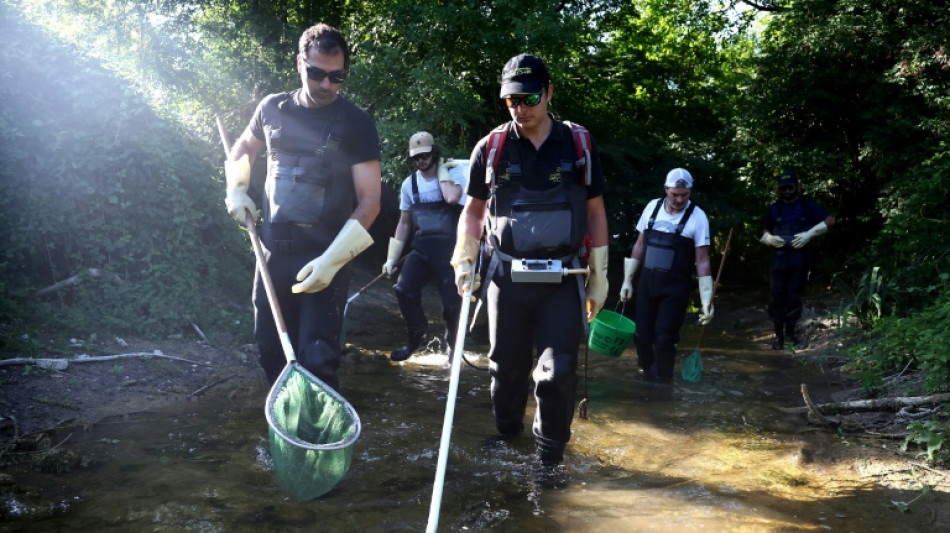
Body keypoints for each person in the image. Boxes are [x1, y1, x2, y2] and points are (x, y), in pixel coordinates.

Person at [451, 53, 609, 484]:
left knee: (556, 374)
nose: (520, 108)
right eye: (511, 101)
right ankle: (507, 435)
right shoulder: (492, 147)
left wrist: (601, 272)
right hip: (506, 277)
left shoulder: (578, 145)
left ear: (549, 93)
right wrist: (465, 257)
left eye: (529, 97)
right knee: (505, 370)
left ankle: (549, 458)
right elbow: (473, 212)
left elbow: (595, 213)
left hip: (564, 277)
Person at [223, 23, 381, 389]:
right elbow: (244, 148)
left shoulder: (356, 123)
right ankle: (287, 436)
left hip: (326, 258)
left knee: (318, 358)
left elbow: (370, 201)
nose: (326, 85)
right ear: (299, 64)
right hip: (272, 256)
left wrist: (333, 260)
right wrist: (237, 189)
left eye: (336, 77)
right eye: (317, 74)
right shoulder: (271, 109)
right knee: (270, 351)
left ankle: (321, 442)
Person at [618, 168, 713, 386]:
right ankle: (646, 377)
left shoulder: (698, 218)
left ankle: (663, 386)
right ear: (666, 189)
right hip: (646, 285)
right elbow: (640, 244)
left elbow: (703, 259)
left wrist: (706, 299)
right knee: (641, 336)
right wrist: (627, 280)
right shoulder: (652, 207)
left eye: (684, 194)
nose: (680, 199)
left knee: (664, 339)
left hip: (675, 290)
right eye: (675, 194)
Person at [384, 131, 468, 361]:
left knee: (452, 305)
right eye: (416, 157)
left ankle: (453, 349)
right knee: (403, 290)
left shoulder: (454, 174)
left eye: (425, 155)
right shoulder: (408, 184)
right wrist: (392, 258)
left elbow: (452, 198)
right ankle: (415, 338)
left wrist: (442, 170)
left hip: (450, 254)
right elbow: (403, 223)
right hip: (421, 251)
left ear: (434, 153)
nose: (421, 160)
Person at [759, 171, 834, 349]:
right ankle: (778, 336)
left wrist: (810, 234)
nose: (787, 191)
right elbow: (764, 232)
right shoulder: (774, 208)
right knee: (777, 296)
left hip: (799, 258)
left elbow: (830, 220)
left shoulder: (807, 206)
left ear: (797, 187)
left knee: (794, 296)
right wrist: (769, 238)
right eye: (783, 188)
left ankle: (791, 334)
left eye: (790, 187)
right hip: (778, 258)